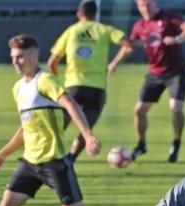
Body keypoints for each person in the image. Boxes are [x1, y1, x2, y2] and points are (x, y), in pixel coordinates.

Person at [0, 34, 135, 206]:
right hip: (30, 163)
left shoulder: (45, 80)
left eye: (20, 57)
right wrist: (1, 155)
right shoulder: (18, 88)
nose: (16, 63)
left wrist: (87, 135)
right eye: (13, 58)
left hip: (55, 162)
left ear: (33, 55)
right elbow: (25, 128)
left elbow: (71, 103)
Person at [111, 0, 185, 163]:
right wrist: (114, 63)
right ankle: (141, 144)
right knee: (139, 110)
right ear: (137, 6)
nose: (145, 8)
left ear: (155, 2)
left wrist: (178, 39)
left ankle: (176, 143)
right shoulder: (139, 26)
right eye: (142, 5)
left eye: (148, 4)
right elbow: (129, 46)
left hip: (176, 71)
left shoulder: (168, 18)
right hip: (155, 73)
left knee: (175, 107)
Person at [46, 1, 131, 159]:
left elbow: (52, 62)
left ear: (79, 14)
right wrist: (113, 64)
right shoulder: (104, 29)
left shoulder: (71, 31)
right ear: (95, 14)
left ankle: (50, 158)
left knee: (58, 128)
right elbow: (128, 45)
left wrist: (56, 83)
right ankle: (71, 160)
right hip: (96, 89)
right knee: (86, 129)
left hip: (73, 87)